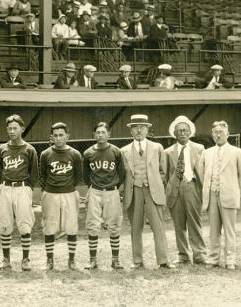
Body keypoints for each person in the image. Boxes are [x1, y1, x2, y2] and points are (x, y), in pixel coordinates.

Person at [119, 114, 172, 269]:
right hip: (134, 192)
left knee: (158, 227)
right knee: (135, 227)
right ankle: (137, 261)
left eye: (142, 127)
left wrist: (154, 183)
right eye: (135, 127)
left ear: (148, 129)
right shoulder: (124, 151)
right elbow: (123, 174)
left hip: (153, 192)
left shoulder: (157, 147)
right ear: (131, 130)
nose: (139, 130)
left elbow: (164, 171)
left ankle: (163, 260)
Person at [201, 120, 241, 270]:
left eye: (221, 132)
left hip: (229, 195)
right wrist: (208, 189)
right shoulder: (207, 153)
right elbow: (203, 174)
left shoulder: (237, 152)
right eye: (215, 132)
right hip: (212, 195)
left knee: (229, 230)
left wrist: (236, 193)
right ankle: (213, 258)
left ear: (228, 134)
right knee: (213, 230)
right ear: (212, 135)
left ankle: (230, 260)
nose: (218, 135)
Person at [38, 122, 83, 271]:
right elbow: (42, 175)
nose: (58, 138)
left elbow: (78, 176)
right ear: (51, 137)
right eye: (55, 135)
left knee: (71, 227)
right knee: (49, 228)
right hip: (51, 194)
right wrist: (50, 188)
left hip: (69, 193)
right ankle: (49, 260)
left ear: (67, 136)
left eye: (61, 135)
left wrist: (68, 186)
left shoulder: (75, 154)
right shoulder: (46, 154)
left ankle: (71, 260)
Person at [0, 114, 38, 271]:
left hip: (22, 188)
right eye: (10, 128)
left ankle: (25, 259)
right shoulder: (2, 149)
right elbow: (0, 171)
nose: (12, 131)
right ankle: (6, 259)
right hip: (6, 187)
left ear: (22, 129)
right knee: (5, 224)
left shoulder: (29, 149)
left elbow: (34, 174)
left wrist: (27, 188)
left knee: (24, 224)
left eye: (15, 128)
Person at [82, 122, 125, 270]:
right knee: (93, 225)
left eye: (103, 132)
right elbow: (86, 175)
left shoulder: (116, 151)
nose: (100, 135)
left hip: (112, 191)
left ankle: (115, 260)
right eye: (98, 132)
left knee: (114, 225)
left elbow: (122, 173)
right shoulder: (88, 153)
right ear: (94, 135)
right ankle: (93, 260)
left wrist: (115, 189)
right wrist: (93, 188)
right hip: (95, 191)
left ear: (108, 134)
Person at [164, 116, 206, 266]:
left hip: (192, 187)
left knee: (194, 222)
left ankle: (199, 255)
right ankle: (183, 255)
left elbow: (203, 171)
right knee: (179, 225)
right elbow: (166, 174)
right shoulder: (168, 152)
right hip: (175, 189)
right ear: (174, 133)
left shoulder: (199, 149)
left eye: (185, 130)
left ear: (190, 133)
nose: (182, 133)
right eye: (179, 131)